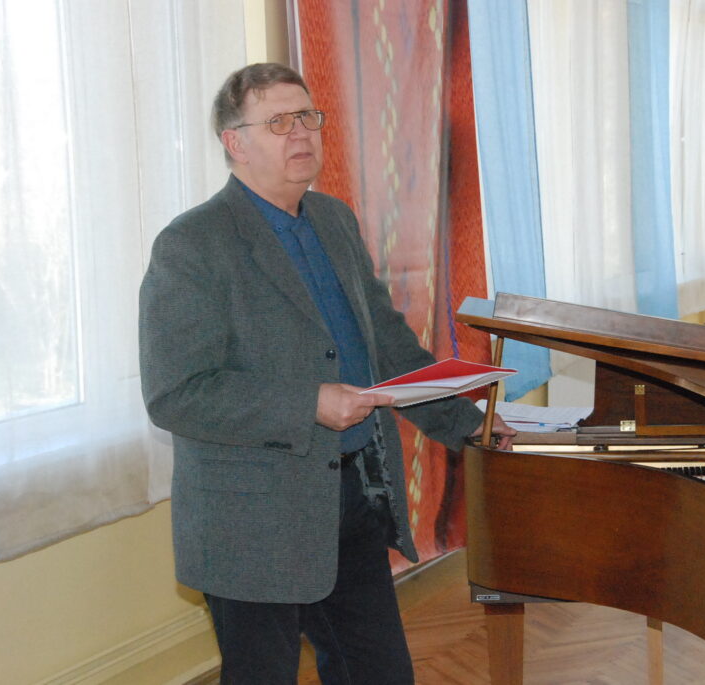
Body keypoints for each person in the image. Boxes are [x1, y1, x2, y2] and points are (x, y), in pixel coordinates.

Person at [138, 62, 515, 685]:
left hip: (353, 497)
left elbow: (387, 347)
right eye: (278, 122)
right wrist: (308, 402)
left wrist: (470, 424)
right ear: (235, 143)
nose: (301, 133)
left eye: (307, 117)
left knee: (381, 673)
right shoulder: (191, 244)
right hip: (253, 520)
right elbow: (176, 393)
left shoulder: (334, 220)